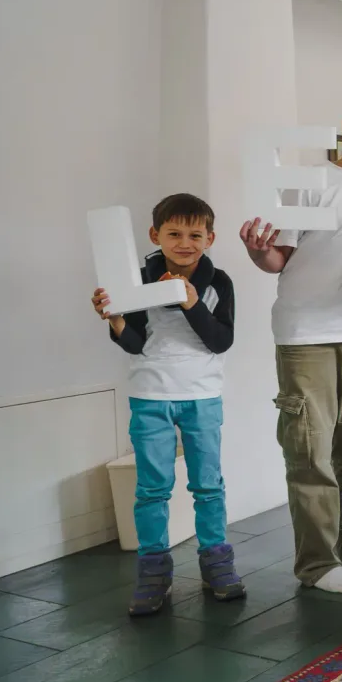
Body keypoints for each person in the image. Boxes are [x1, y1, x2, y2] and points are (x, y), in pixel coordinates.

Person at [240, 95, 342, 594]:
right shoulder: (307, 181)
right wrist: (257, 249)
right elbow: (277, 260)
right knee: (310, 451)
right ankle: (316, 563)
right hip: (306, 333)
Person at [92, 194, 244, 615]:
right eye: (174, 233)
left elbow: (220, 340)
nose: (184, 243)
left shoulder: (220, 282)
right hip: (151, 396)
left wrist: (190, 301)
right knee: (151, 488)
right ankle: (154, 571)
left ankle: (217, 563)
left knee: (208, 485)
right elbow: (136, 344)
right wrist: (116, 318)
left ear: (209, 238)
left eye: (195, 235)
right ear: (154, 235)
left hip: (202, 396)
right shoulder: (136, 280)